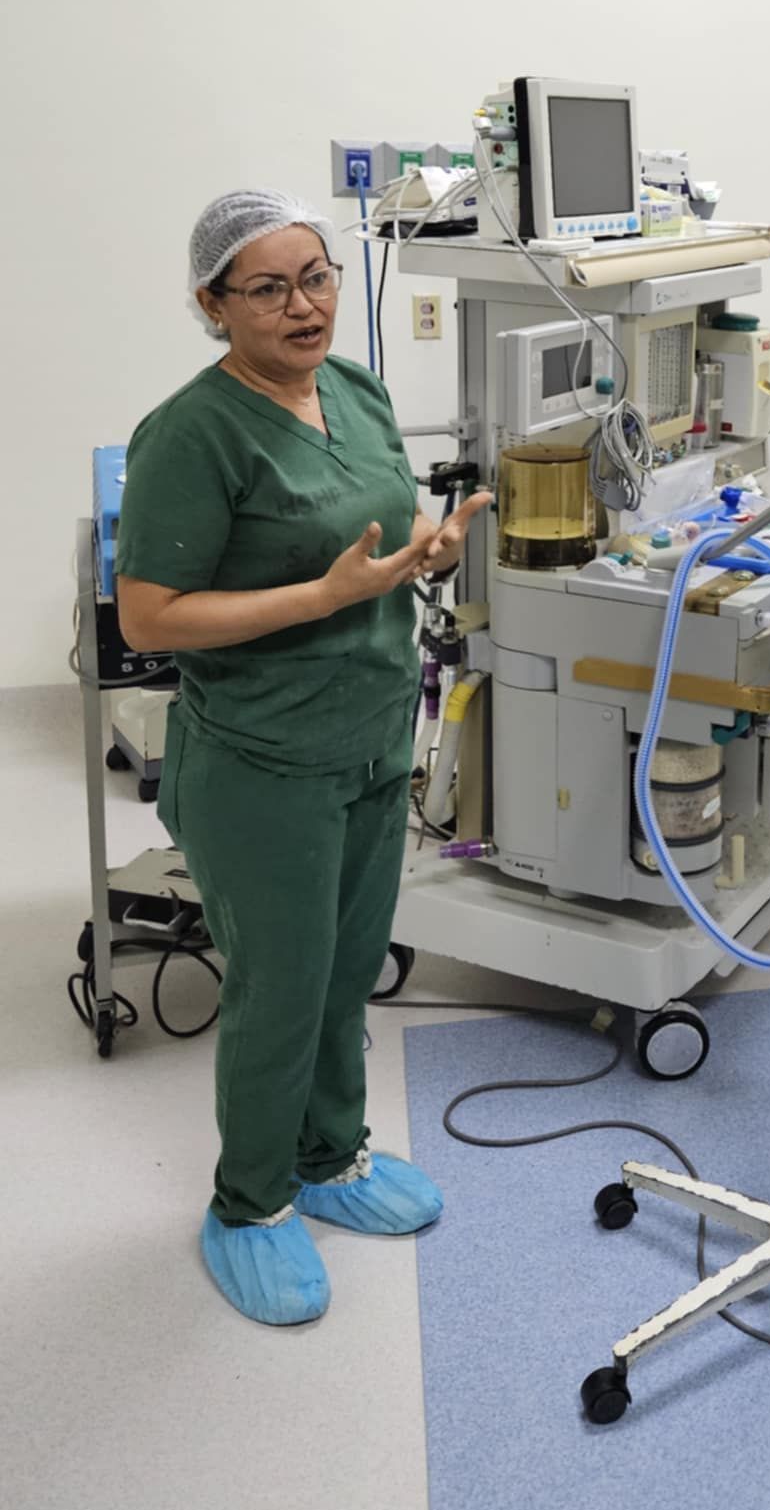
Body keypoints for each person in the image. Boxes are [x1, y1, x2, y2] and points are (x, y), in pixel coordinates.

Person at [115, 190, 492, 1326]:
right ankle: (251, 1203)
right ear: (213, 305)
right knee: (278, 991)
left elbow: (377, 532)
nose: (304, 305)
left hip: (370, 737)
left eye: (316, 276)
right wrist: (319, 598)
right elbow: (149, 616)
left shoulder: (356, 390)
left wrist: (426, 554)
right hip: (262, 760)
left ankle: (331, 1156)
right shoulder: (193, 433)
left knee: (346, 969)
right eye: (269, 288)